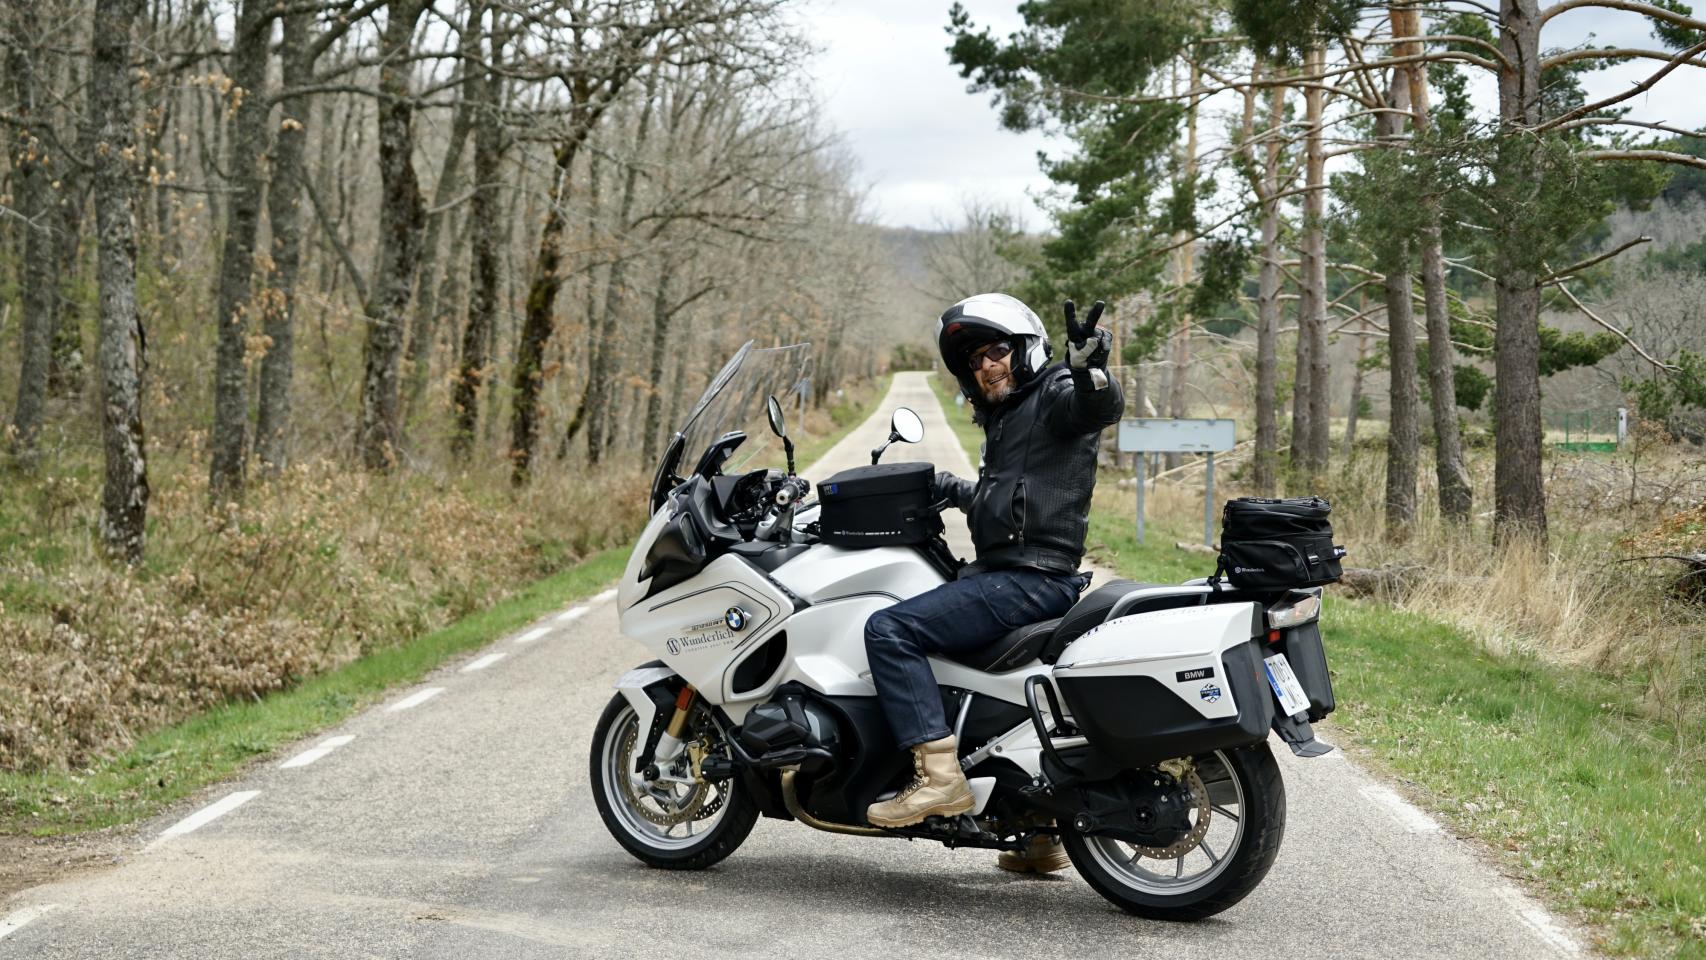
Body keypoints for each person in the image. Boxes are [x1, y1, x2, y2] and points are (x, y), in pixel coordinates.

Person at [863, 292, 1123, 873]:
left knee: (889, 630)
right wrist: (949, 490)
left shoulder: (1055, 393)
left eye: (997, 351)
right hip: (1016, 572)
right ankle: (1035, 830)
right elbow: (1012, 494)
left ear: (1026, 350)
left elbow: (1095, 409)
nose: (986, 365)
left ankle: (938, 778)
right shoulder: (1009, 418)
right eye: (975, 360)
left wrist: (1092, 371)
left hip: (1031, 578)